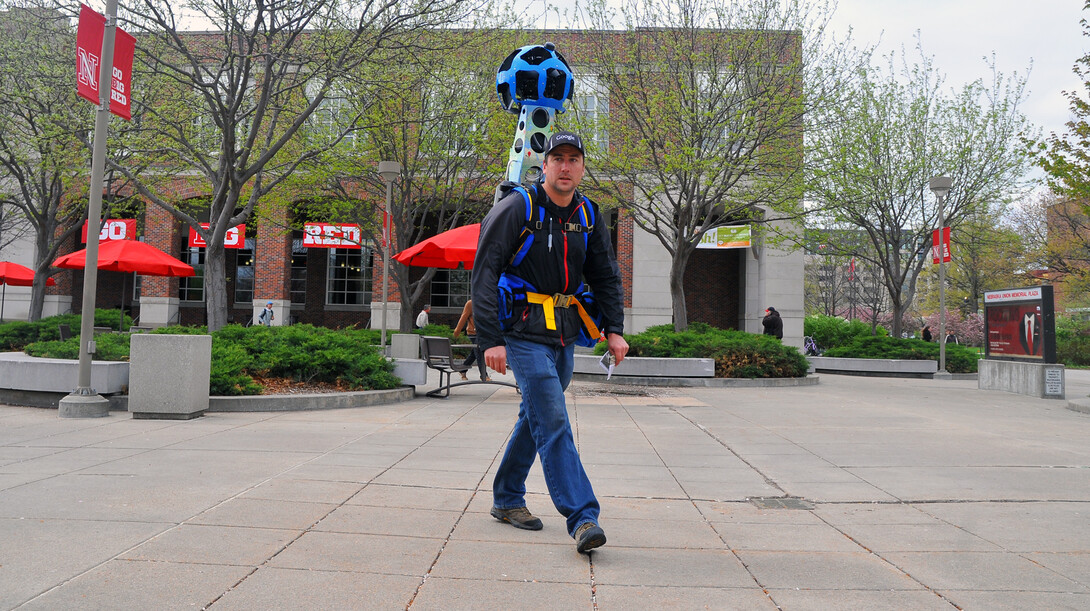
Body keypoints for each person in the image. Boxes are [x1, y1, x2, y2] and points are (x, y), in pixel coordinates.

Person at [472, 131, 627, 554]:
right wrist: (489, 339)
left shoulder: (589, 214)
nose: (565, 165)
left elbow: (606, 275)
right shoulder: (516, 207)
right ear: (544, 165)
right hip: (520, 331)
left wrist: (614, 329)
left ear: (581, 167)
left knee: (535, 415)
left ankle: (506, 498)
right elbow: (484, 271)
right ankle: (582, 517)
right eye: (557, 157)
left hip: (563, 333)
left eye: (573, 158)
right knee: (554, 417)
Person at [453, 299, 489, 382]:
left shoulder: (486, 303)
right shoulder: (470, 303)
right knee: (479, 352)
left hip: (483, 334)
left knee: (474, 353)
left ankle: (463, 370)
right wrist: (456, 332)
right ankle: (484, 375)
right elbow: (463, 317)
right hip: (473, 333)